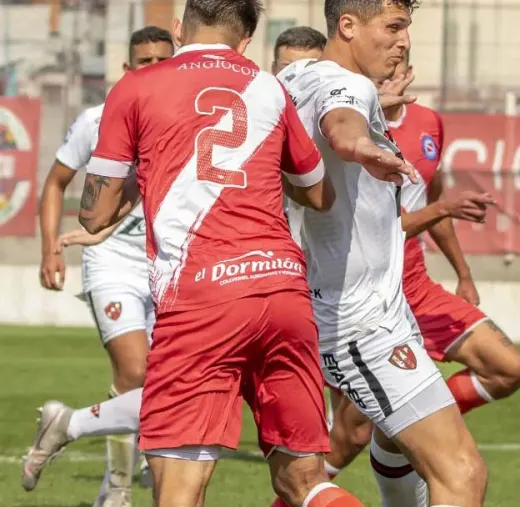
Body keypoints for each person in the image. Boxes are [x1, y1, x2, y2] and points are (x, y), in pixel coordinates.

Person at [24, 0, 367, 505]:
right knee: (306, 482)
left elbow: (93, 215)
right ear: (246, 39)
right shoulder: (269, 88)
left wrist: (156, 169)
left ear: (180, 29)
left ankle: (86, 445)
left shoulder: (137, 88)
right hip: (282, 293)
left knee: (179, 491)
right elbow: (319, 194)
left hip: (202, 298)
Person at [277, 1, 488, 506]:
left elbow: (334, 108)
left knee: (392, 442)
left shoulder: (297, 76)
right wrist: (359, 145)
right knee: (461, 474)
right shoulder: (346, 89)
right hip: (360, 321)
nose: (404, 41)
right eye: (393, 28)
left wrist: (371, 109)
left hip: (359, 306)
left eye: (406, 28)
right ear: (347, 26)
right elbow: (342, 122)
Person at [321, 53, 520, 486]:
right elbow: (382, 228)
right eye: (383, 59)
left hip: (416, 281)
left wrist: (463, 272)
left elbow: (433, 200)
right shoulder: (349, 127)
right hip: (369, 293)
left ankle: (415, 415)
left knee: (508, 367)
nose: (393, 66)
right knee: (350, 435)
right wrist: (440, 207)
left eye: (401, 59)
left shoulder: (430, 123)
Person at [26, 25, 175, 507]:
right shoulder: (97, 120)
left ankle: (110, 468)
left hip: (168, 262)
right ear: (128, 70)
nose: (153, 67)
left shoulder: (184, 119)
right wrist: (50, 247)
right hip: (111, 264)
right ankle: (117, 488)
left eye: (162, 59)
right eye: (144, 61)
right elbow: (54, 183)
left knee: (174, 383)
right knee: (136, 371)